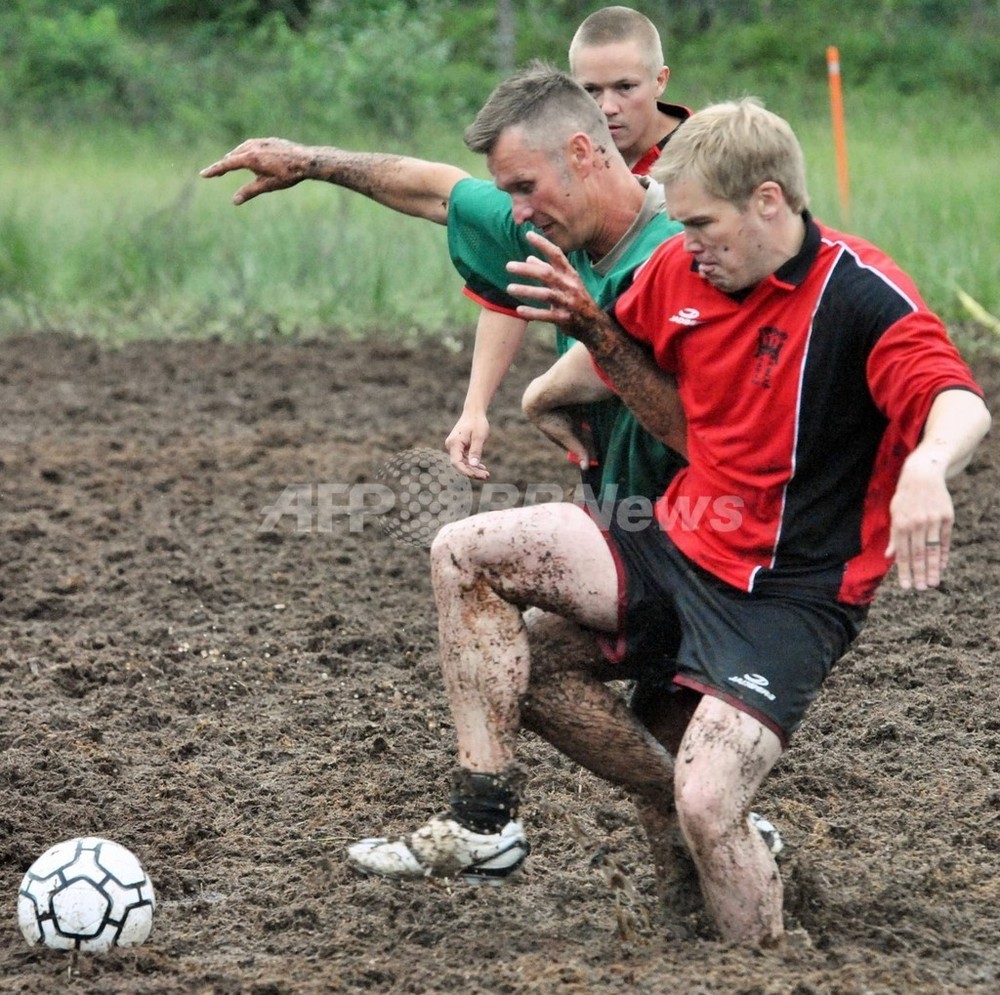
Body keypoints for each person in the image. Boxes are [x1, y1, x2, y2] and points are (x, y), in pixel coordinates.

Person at [345, 97, 990, 946]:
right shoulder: (684, 269)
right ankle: (486, 821)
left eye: (701, 225)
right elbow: (622, 335)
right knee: (466, 553)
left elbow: (957, 400)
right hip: (676, 540)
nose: (686, 245)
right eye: (677, 224)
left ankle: (754, 958)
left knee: (708, 802)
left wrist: (926, 469)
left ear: (769, 201)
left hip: (786, 597)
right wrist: (547, 389)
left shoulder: (860, 295)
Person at [445, 5, 691, 480]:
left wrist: (545, 391)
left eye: (625, 87)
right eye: (590, 90)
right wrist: (476, 405)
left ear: (660, 81)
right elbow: (510, 271)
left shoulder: (705, 174)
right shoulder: (556, 196)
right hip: (612, 466)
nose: (607, 106)